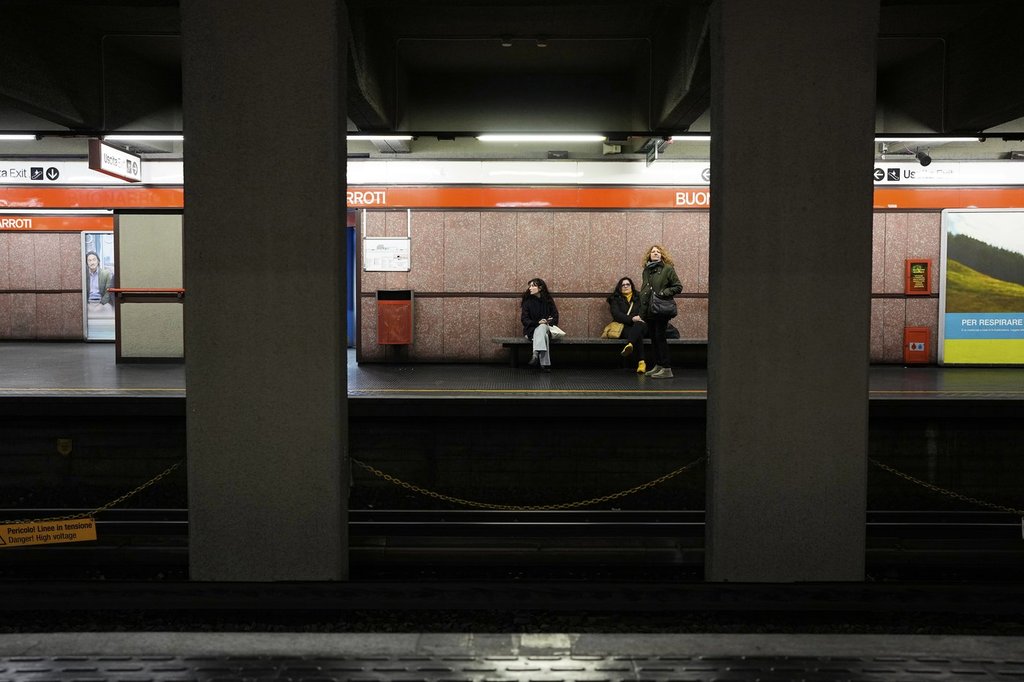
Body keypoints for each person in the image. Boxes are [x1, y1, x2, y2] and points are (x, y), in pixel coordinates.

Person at [639, 244, 682, 378]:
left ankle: (667, 368)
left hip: (661, 308)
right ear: (649, 255)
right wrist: (642, 312)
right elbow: (645, 290)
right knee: (653, 338)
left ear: (662, 255)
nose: (655, 253)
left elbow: (678, 286)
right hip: (649, 309)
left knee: (660, 337)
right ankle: (658, 365)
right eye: (653, 252)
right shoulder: (646, 270)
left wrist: (663, 293)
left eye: (658, 252)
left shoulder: (667, 269)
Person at [607, 276, 648, 374]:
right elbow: (616, 315)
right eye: (623, 285)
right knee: (637, 335)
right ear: (619, 287)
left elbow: (644, 311)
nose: (625, 286)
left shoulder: (639, 297)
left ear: (631, 286)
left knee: (638, 326)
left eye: (627, 284)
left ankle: (630, 344)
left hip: (641, 325)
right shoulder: (615, 299)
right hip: (624, 327)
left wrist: (637, 318)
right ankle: (642, 363)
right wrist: (632, 318)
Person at [521, 277, 558, 372]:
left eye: (533, 286)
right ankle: (545, 365)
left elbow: (555, 317)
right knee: (543, 335)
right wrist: (537, 323)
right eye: (529, 286)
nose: (530, 288)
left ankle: (535, 353)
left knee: (543, 328)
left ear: (540, 288)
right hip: (531, 330)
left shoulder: (548, 301)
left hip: (546, 327)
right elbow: (524, 320)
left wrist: (548, 321)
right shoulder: (527, 302)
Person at [85, 250, 114, 315]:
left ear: (98, 261)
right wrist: (87, 304)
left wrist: (101, 304)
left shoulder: (105, 274)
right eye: (89, 260)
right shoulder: (84, 275)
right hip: (88, 302)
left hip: (101, 301)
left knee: (109, 309)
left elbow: (108, 291)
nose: (92, 262)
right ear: (87, 263)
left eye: (94, 260)